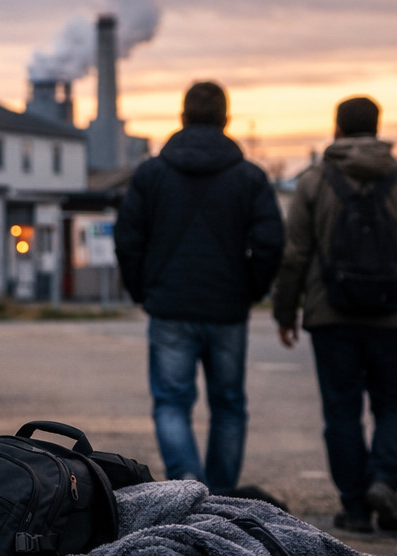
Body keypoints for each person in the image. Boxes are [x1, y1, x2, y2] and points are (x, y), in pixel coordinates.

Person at [272, 95, 397, 534]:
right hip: (394, 315)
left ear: (336, 129)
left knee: (341, 410)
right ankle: (385, 481)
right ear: (377, 129)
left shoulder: (314, 184)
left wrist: (285, 311)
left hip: (330, 316)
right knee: (394, 405)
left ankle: (355, 507)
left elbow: (295, 254)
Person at [114, 81, 285, 501]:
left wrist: (142, 290)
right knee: (228, 404)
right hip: (227, 307)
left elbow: (128, 239)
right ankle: (222, 494)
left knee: (172, 402)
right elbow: (271, 242)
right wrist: (251, 289)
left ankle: (188, 483)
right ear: (225, 118)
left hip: (169, 306)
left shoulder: (151, 174)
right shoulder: (249, 176)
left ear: (183, 116)